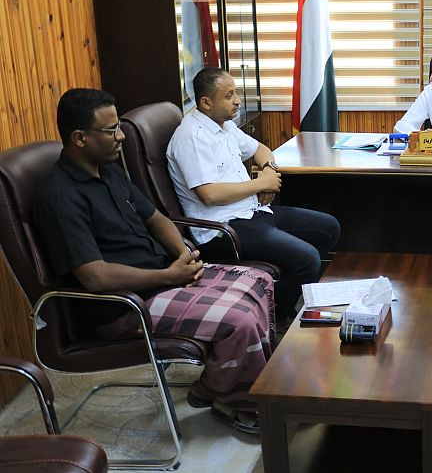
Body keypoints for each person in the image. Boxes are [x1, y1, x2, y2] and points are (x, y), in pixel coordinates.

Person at [32, 89, 274, 435]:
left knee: (259, 281)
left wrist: (181, 253)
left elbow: (155, 218)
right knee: (238, 320)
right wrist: (167, 275)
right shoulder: (59, 197)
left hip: (161, 276)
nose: (120, 137)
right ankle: (240, 404)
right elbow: (95, 276)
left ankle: (218, 384)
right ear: (79, 138)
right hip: (122, 306)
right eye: (111, 130)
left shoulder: (108, 170)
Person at [167, 67, 341, 318]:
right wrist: (261, 185)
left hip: (252, 212)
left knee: (329, 228)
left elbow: (260, 149)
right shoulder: (192, 137)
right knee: (308, 259)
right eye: (229, 96)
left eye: (236, 93)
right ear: (206, 103)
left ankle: (286, 296)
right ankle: (274, 318)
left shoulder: (224, 125)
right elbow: (210, 194)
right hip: (222, 229)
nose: (237, 100)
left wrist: (268, 171)